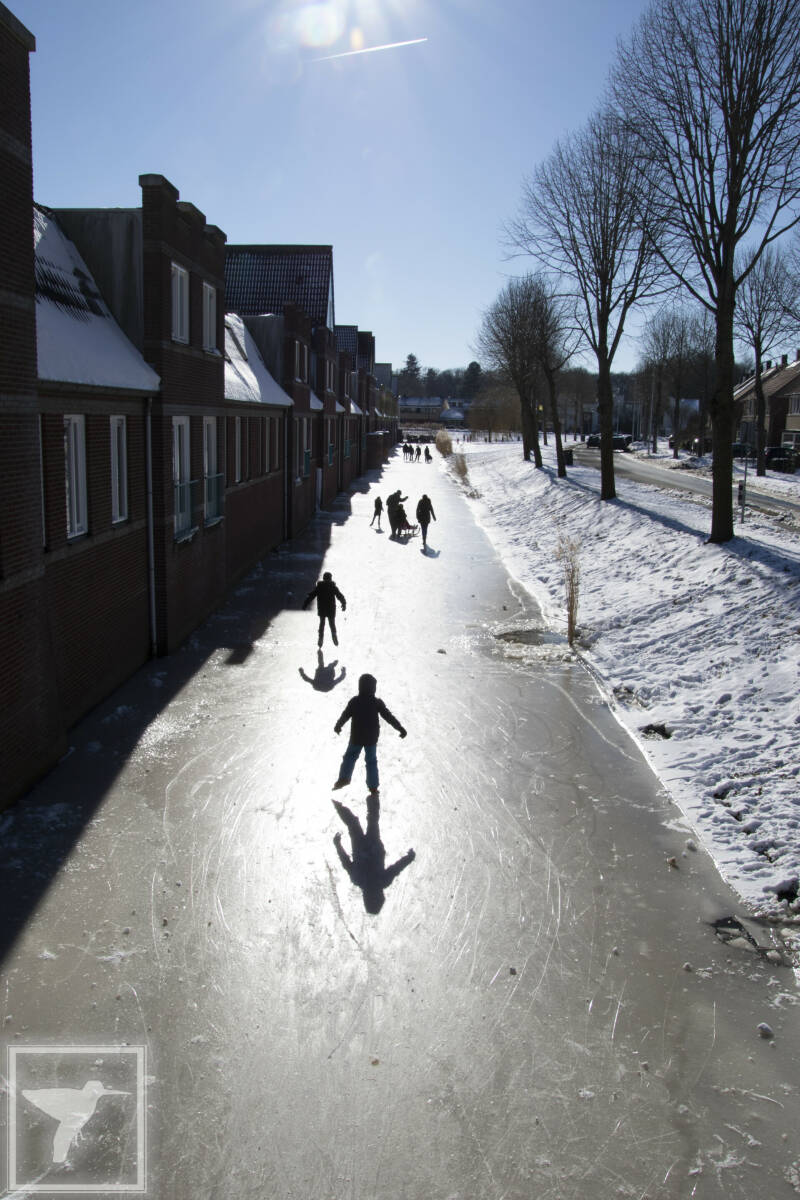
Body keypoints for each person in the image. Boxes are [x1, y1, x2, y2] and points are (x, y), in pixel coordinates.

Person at [332, 673, 407, 794]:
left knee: (350, 757)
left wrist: (338, 725)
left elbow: (345, 715)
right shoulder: (376, 702)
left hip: (356, 737)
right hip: (371, 739)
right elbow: (388, 716)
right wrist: (400, 728)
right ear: (373, 688)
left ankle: (344, 778)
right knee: (371, 761)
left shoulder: (355, 701)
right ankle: (373, 786)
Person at [303, 571, 346, 647]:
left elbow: (311, 596)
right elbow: (340, 596)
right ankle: (334, 635)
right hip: (331, 608)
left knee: (322, 623)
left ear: (323, 578)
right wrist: (343, 604)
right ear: (330, 578)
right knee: (332, 624)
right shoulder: (333, 587)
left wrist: (305, 604)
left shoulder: (320, 587)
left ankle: (320, 638)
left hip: (322, 608)